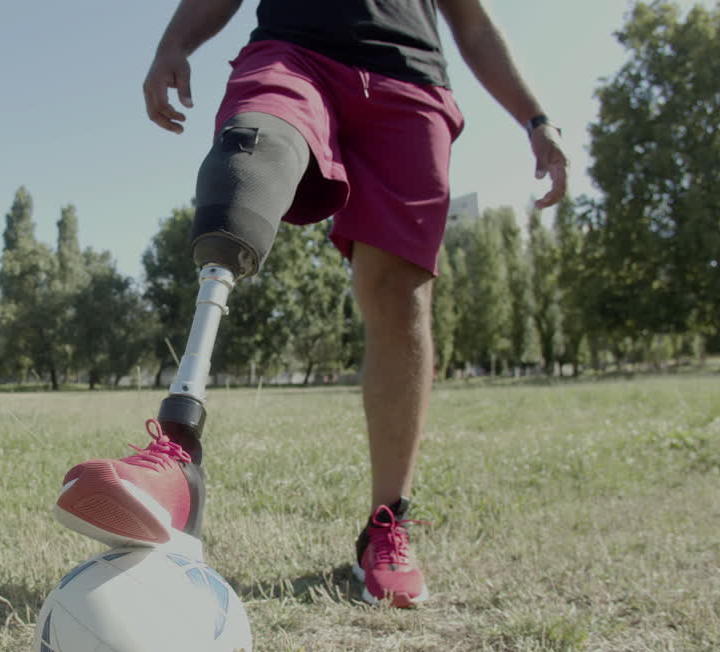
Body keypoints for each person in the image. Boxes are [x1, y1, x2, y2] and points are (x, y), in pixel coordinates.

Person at [55, 0, 567, 608]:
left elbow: (474, 23)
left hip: (411, 80)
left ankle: (388, 524)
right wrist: (173, 44)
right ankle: (175, 456)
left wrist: (536, 119)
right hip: (294, 51)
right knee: (246, 169)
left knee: (398, 297)